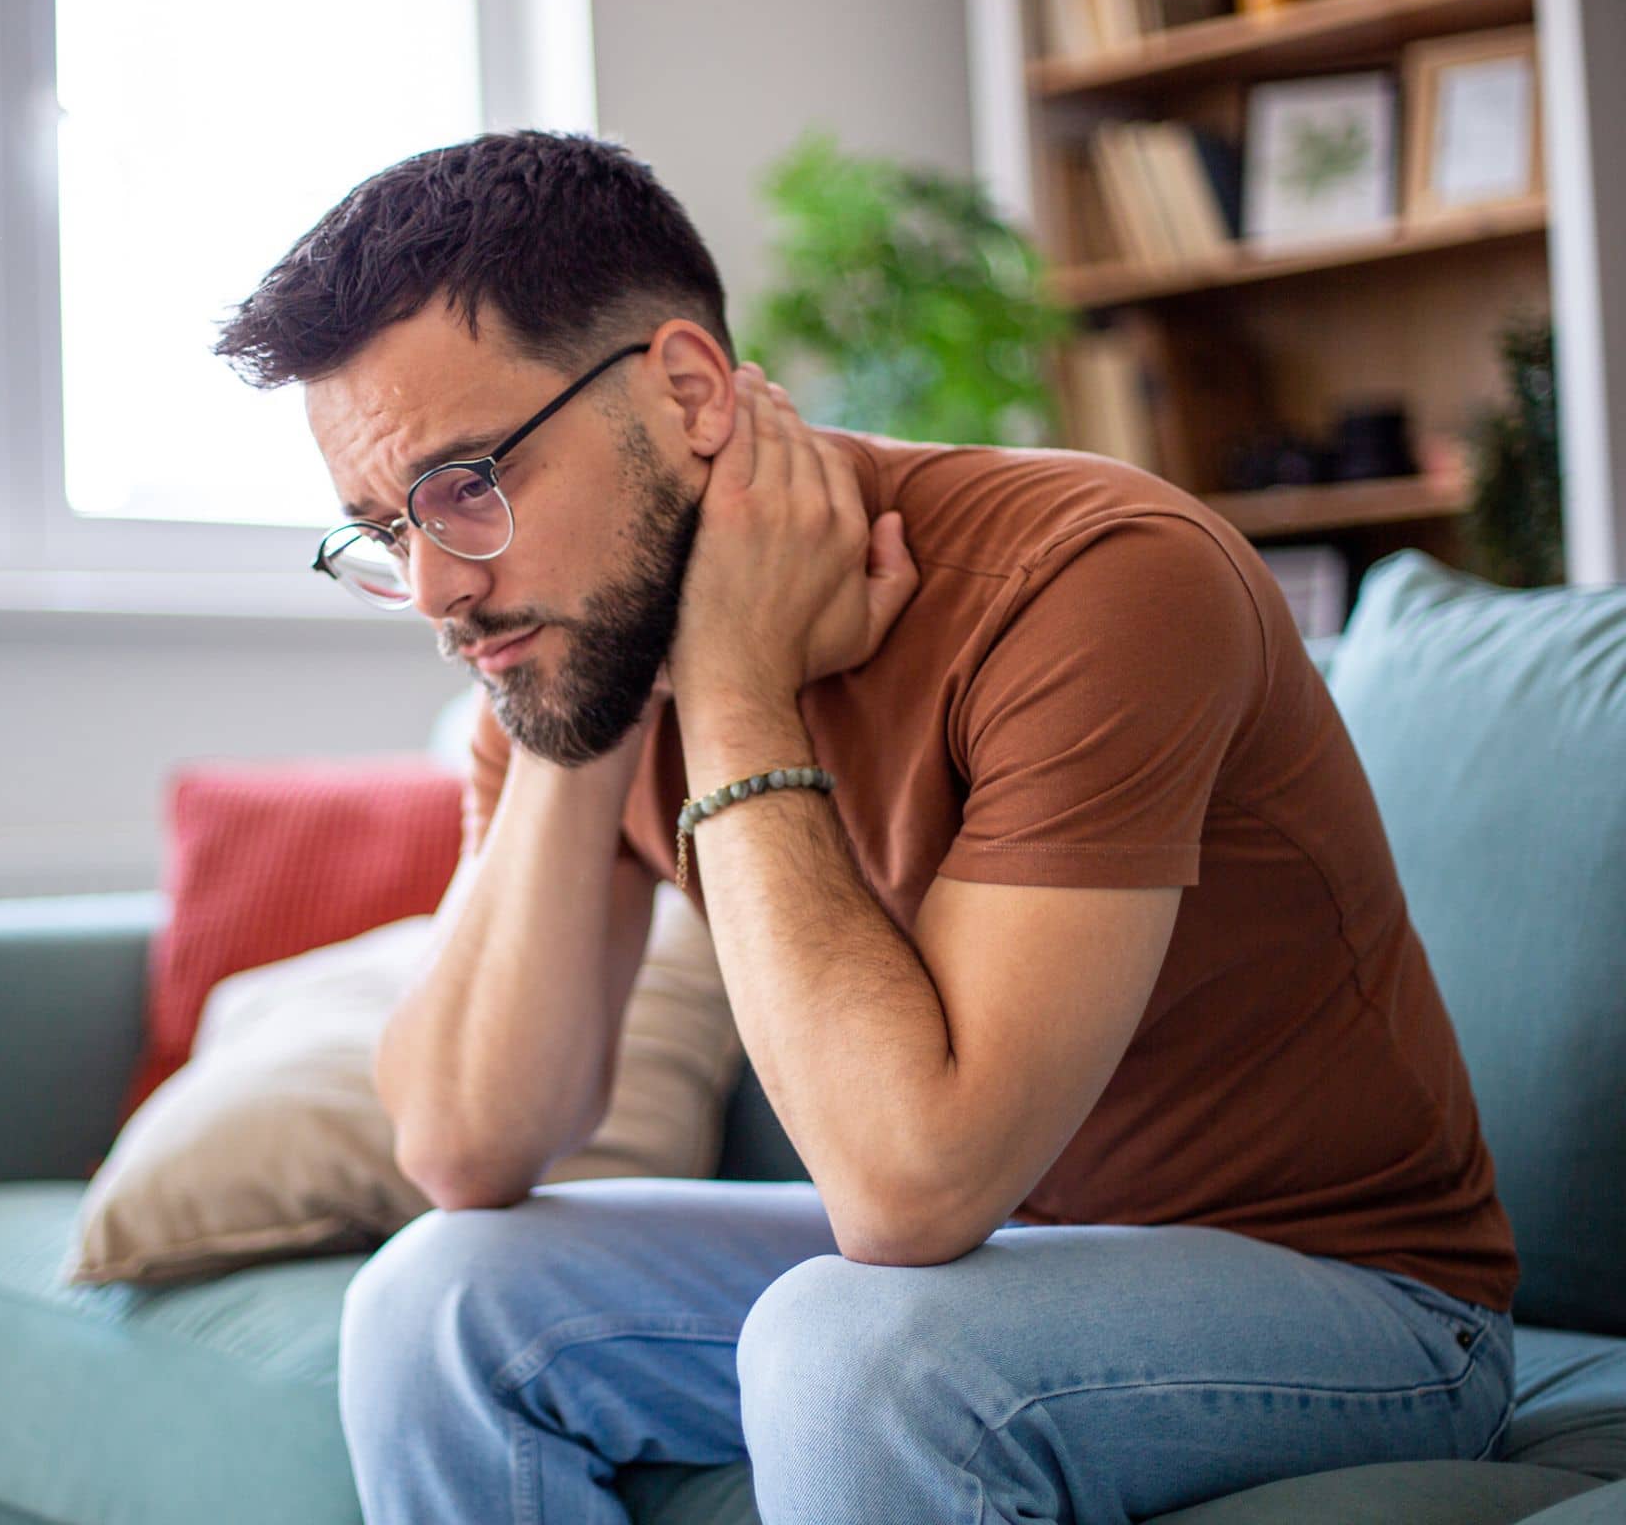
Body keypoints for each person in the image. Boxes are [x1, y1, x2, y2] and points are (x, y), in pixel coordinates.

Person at [213, 129, 1519, 1525]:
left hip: (1361, 1304)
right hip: (1011, 1267)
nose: (431, 590)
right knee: (433, 1301)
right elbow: (467, 1148)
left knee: (850, 1348)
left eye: (467, 485)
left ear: (691, 391)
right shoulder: (565, 643)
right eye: (382, 531)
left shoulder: (1096, 577)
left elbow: (911, 1189)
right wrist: (592, 726)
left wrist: (733, 683)